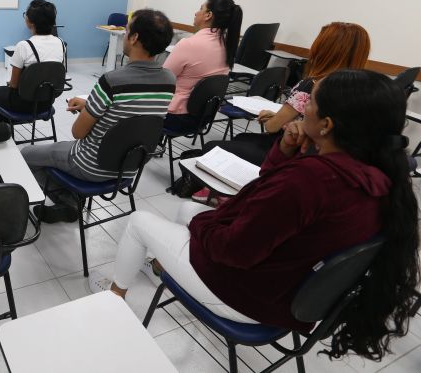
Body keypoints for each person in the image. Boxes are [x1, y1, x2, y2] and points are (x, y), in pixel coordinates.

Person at [92, 69, 419, 362]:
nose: (303, 109)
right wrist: (287, 153)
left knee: (141, 222)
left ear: (327, 125)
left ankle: (115, 300)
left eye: (311, 104)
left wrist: (206, 223)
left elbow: (234, 250)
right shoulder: (380, 178)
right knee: (187, 207)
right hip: (288, 288)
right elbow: (274, 196)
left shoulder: (313, 180)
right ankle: (167, 266)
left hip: (249, 297)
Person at [21, 9, 175, 221]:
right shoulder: (169, 80)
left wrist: (88, 109)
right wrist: (91, 104)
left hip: (91, 164)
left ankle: (67, 199)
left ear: (135, 37)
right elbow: (134, 113)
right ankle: (69, 201)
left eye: (127, 29)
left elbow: (78, 132)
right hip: (129, 167)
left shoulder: (113, 80)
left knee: (26, 155)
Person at [185, 22, 371, 174]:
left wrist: (275, 119)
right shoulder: (358, 91)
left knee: (212, 148)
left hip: (287, 152)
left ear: (324, 50)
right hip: (318, 160)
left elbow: (272, 127)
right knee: (243, 137)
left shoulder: (312, 85)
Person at [162, 0, 242, 132]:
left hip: (176, 118)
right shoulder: (228, 46)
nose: (196, 12)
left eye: (200, 8)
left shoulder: (189, 44)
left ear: (208, 15)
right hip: (204, 117)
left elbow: (162, 79)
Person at [0, 0, 65, 122]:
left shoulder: (24, 46)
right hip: (47, 102)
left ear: (30, 22)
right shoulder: (60, 43)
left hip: (23, 103)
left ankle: (1, 133)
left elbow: (13, 84)